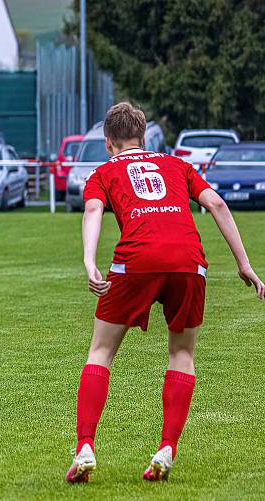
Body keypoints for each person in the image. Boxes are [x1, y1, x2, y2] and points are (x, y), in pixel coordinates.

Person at [65, 103, 265, 484]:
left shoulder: (104, 171)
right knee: (182, 352)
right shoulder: (178, 165)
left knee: (101, 351)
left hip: (135, 260)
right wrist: (243, 263)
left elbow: (93, 210)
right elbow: (217, 204)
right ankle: (167, 447)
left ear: (109, 144)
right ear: (144, 137)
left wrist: (90, 261)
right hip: (189, 260)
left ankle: (85, 447)